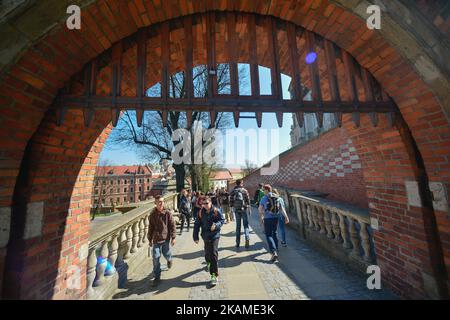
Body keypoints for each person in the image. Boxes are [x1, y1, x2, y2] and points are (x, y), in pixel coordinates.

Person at [193, 196, 225, 286]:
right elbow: (196, 225)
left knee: (214, 253)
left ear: (210, 203)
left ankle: (214, 275)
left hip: (215, 235)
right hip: (205, 236)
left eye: (206, 203)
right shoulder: (200, 212)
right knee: (207, 253)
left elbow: (222, 220)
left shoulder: (216, 210)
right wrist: (195, 236)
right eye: (203, 204)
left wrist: (216, 225)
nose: (205, 205)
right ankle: (208, 263)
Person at [147, 195, 176, 287]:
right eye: (158, 202)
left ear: (163, 202)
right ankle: (157, 277)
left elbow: (172, 225)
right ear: (155, 203)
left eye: (161, 201)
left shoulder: (167, 213)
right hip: (156, 239)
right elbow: (150, 228)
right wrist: (149, 239)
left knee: (166, 253)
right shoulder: (152, 215)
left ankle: (169, 259)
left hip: (165, 239)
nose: (160, 203)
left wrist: (173, 237)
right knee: (155, 258)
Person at [258, 184, 281, 262]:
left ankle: (274, 252)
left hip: (268, 218)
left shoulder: (264, 198)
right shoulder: (276, 196)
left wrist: (261, 217)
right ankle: (276, 248)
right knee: (274, 232)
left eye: (264, 190)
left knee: (268, 235)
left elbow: (260, 209)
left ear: (267, 190)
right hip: (276, 217)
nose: (263, 191)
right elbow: (280, 207)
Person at [230, 179, 251, 249]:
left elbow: (231, 202)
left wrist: (231, 210)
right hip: (244, 209)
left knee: (238, 227)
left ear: (236, 183)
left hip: (237, 210)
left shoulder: (233, 191)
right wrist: (249, 209)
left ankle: (237, 243)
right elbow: (248, 201)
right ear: (241, 183)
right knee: (246, 225)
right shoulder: (245, 191)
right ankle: (247, 237)